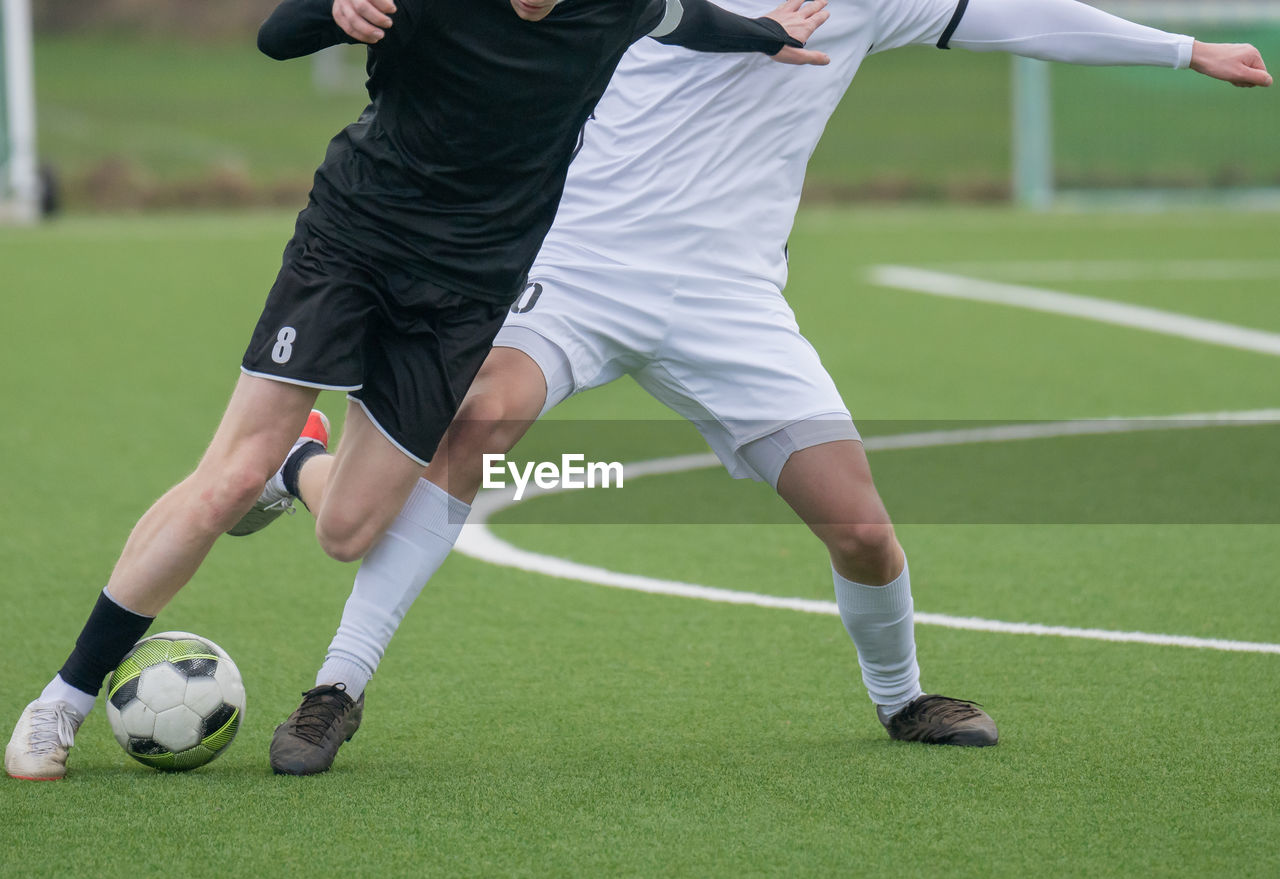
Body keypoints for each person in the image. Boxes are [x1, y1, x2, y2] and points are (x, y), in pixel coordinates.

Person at [246, 0, 1272, 775]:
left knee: (860, 526)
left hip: (731, 300)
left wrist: (1182, 50)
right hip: (580, 269)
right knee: (480, 414)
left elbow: (1018, 16)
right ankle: (336, 686)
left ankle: (903, 697)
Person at [3, 0, 834, 781]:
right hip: (353, 242)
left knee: (349, 531)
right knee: (226, 474)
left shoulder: (616, 5)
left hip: (467, 293)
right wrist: (333, 11)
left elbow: (689, 20)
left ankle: (297, 465)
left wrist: (764, 33)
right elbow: (275, 36)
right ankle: (63, 699)